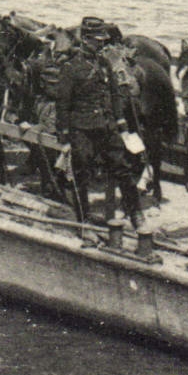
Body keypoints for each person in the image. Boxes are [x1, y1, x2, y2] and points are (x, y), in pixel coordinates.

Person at [55, 17, 140, 228]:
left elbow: (114, 95)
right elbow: (63, 105)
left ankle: (136, 215)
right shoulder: (71, 68)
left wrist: (122, 126)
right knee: (81, 175)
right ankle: (84, 223)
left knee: (123, 168)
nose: (101, 44)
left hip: (106, 127)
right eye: (97, 40)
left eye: (102, 40)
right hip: (81, 130)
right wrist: (64, 138)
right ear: (84, 39)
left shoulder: (105, 64)